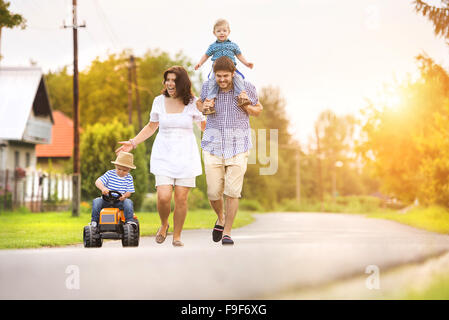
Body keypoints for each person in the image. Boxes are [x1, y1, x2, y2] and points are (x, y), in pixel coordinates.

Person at [115, 66, 206, 247]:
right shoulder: (159, 101)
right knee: (164, 197)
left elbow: (205, 126)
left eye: (174, 80)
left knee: (181, 199)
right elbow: (151, 126)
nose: (170, 83)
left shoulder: (193, 102)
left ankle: (177, 235)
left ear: (182, 83)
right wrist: (133, 143)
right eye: (168, 80)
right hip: (163, 154)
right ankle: (164, 224)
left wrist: (208, 112)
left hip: (186, 156)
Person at [196, 56, 263, 245]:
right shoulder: (208, 87)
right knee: (213, 192)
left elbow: (258, 109)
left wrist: (247, 106)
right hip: (212, 145)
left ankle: (227, 232)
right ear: (214, 75)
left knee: (233, 192)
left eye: (226, 76)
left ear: (233, 73)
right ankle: (221, 217)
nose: (222, 80)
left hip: (238, 146)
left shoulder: (246, 88)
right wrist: (204, 107)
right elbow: (199, 104)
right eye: (219, 76)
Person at [194, 18, 254, 112]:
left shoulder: (233, 45)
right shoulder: (213, 46)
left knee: (238, 79)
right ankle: (210, 102)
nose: (222, 33)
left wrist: (246, 63)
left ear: (229, 32)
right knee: (213, 83)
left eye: (224, 31)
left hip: (230, 69)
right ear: (214, 33)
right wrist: (200, 63)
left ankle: (242, 96)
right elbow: (206, 55)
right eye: (219, 31)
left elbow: (239, 55)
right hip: (217, 68)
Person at [90, 151, 136, 228]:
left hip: (119, 201)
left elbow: (129, 192)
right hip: (106, 200)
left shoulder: (129, 178)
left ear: (129, 169)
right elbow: (98, 182)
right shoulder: (109, 174)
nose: (121, 172)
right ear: (115, 165)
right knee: (96, 201)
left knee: (128, 202)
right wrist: (103, 188)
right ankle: (94, 221)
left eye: (124, 170)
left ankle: (129, 222)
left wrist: (124, 196)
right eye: (119, 169)